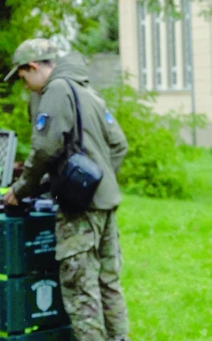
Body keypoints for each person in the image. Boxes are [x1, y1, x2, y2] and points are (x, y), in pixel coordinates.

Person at [3, 39, 130, 341]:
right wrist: (93, 180)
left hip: (81, 211)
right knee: (107, 282)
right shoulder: (88, 92)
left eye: (23, 78)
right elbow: (119, 146)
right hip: (107, 203)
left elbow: (45, 148)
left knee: (80, 289)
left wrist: (20, 191)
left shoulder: (56, 90)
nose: (26, 87)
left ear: (32, 67)